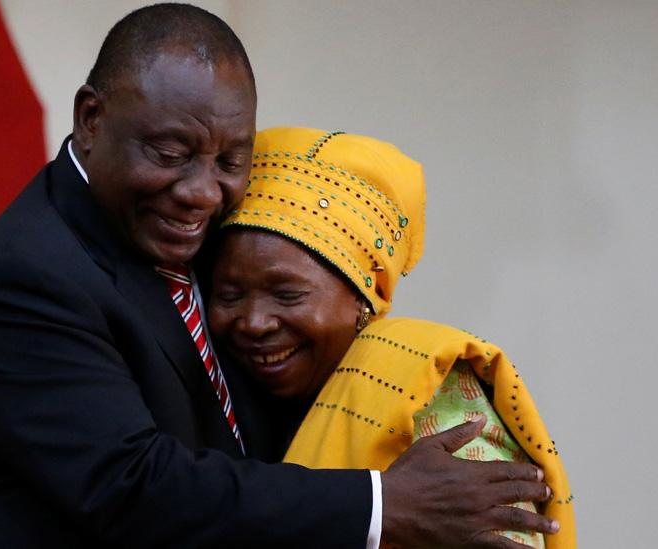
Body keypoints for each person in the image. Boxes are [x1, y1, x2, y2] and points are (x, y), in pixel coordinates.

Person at [0, 4, 558, 548]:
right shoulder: (25, 276)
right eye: (170, 153)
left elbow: (233, 442)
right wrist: (381, 505)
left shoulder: (201, 239)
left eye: (230, 159)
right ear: (90, 118)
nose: (200, 192)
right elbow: (133, 486)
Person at [205, 127, 576, 548]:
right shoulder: (223, 393)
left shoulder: (437, 399)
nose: (253, 322)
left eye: (288, 294)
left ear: (368, 295)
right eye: (229, 294)